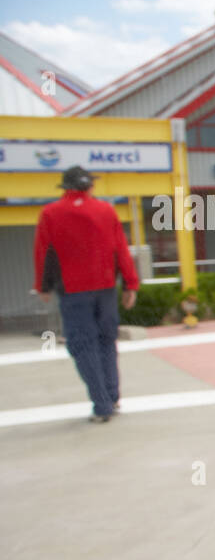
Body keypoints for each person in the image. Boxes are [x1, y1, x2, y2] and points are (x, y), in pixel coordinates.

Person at [32, 166, 140, 423]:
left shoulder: (50, 213)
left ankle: (101, 405)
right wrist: (130, 284)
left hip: (72, 291)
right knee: (106, 341)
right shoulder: (106, 210)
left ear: (65, 188)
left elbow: (43, 252)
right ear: (89, 186)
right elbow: (121, 250)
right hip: (104, 288)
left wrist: (43, 286)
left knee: (83, 345)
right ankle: (112, 397)